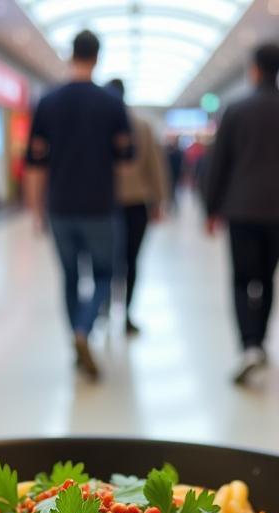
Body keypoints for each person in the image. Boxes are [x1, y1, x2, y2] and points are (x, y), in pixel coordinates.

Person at [25, 30, 133, 380]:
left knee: (70, 276)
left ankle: (75, 332)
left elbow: (36, 163)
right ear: (98, 57)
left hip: (60, 206)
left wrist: (35, 208)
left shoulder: (48, 101)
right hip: (100, 205)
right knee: (105, 273)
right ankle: (84, 329)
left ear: (70, 55)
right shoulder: (111, 102)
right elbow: (125, 157)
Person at [204, 42, 279, 385]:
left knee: (241, 278)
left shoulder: (236, 110)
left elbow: (218, 163)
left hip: (241, 208)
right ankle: (261, 342)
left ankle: (249, 345)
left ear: (254, 68)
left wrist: (211, 207)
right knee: (267, 278)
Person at [106, 79, 169, 336]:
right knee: (131, 261)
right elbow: (155, 166)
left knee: (108, 260)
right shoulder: (142, 125)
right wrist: (159, 201)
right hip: (137, 204)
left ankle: (105, 307)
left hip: (105, 204)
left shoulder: (100, 124)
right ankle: (127, 314)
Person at [166, 138, 184, 209]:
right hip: (174, 174)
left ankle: (173, 204)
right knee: (173, 189)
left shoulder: (172, 154)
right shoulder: (178, 153)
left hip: (173, 174)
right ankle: (173, 204)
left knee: (173, 189)